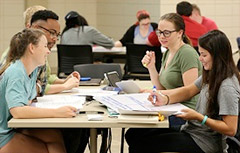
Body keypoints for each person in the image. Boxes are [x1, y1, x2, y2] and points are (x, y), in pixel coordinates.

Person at [126, 30, 240, 153]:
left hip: (204, 143)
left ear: (218, 56)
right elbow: (189, 90)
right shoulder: (212, 73)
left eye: (204, 55)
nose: (200, 59)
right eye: (200, 54)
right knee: (133, 134)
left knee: (140, 144)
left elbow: (230, 129)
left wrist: (199, 117)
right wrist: (166, 99)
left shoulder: (227, 86)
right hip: (192, 131)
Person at [0, 29, 78, 153]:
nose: (48, 51)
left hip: (14, 127)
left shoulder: (32, 70)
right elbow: (17, 111)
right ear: (32, 48)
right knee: (45, 149)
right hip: (4, 133)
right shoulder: (16, 72)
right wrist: (57, 112)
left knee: (55, 135)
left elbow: (28, 99)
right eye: (45, 46)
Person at [141, 13, 202, 126]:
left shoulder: (186, 53)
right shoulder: (168, 52)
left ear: (180, 33)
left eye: (167, 33)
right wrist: (151, 67)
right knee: (134, 133)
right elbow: (161, 87)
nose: (161, 36)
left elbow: (190, 92)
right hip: (171, 107)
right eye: (159, 32)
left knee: (139, 133)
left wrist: (157, 93)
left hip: (186, 113)